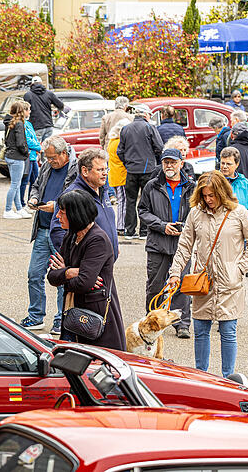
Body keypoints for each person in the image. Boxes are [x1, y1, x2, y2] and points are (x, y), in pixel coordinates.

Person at [167, 171, 248, 378]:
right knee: (200, 331)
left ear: (222, 192)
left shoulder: (239, 213)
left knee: (228, 332)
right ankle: (202, 377)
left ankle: (229, 379)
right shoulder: (195, 213)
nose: (208, 200)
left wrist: (240, 267)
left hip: (230, 282)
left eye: (212, 195)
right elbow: (184, 246)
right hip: (202, 282)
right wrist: (175, 273)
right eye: (205, 195)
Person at [48, 189, 126, 351]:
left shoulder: (97, 239)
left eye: (62, 212)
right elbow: (52, 276)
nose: (57, 216)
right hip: (72, 315)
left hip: (93, 319)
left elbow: (84, 283)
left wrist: (66, 274)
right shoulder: (71, 236)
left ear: (76, 214)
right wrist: (71, 272)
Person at [21, 136, 78, 333]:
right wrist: (34, 197)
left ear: (64, 154)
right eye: (47, 158)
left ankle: (61, 319)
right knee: (34, 274)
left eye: (53, 158)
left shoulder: (76, 168)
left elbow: (78, 196)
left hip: (62, 232)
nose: (50, 161)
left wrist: (57, 206)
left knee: (62, 276)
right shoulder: (47, 166)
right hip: (43, 229)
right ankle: (36, 316)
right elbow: (36, 185)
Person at [137, 147, 195, 338]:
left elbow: (197, 213)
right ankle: (151, 320)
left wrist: (185, 227)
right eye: (166, 162)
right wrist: (162, 226)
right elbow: (143, 211)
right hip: (158, 243)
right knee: (155, 284)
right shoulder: (152, 186)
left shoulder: (191, 186)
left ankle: (181, 324)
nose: (169, 166)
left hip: (182, 244)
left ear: (181, 163)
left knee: (181, 285)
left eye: (173, 162)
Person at [51, 148, 119, 260]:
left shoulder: (103, 189)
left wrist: (114, 245)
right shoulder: (73, 195)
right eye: (100, 170)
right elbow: (57, 231)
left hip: (105, 263)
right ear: (85, 171)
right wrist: (76, 260)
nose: (105, 173)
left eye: (106, 169)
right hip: (89, 266)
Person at [117, 103, 163, 240]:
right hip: (147, 168)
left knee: (130, 201)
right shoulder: (149, 127)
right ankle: (143, 231)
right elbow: (160, 147)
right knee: (146, 200)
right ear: (145, 115)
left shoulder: (125, 129)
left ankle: (129, 231)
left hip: (131, 170)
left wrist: (127, 163)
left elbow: (120, 151)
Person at [2, 101, 30, 219]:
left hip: (10, 155)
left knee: (16, 184)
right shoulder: (19, 124)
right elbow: (20, 142)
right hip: (17, 156)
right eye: (27, 109)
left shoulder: (10, 122)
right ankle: (8, 210)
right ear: (21, 111)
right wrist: (26, 152)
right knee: (15, 185)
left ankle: (19, 208)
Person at [218, 147, 248, 223]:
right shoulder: (214, 180)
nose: (225, 166)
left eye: (229, 164)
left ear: (237, 164)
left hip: (241, 227)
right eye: (223, 163)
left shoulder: (245, 183)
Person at [23, 76, 65, 141]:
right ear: (41, 83)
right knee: (47, 148)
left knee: (37, 148)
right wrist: (56, 110)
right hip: (48, 125)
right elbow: (61, 105)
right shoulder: (49, 93)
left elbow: (24, 110)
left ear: (31, 84)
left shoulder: (28, 95)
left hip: (36, 126)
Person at [22, 101, 42, 207]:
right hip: (28, 155)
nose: (30, 111)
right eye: (28, 109)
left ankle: (31, 200)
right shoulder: (23, 125)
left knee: (35, 181)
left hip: (33, 156)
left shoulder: (29, 124)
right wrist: (39, 147)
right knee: (25, 180)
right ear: (24, 111)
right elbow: (28, 141)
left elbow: (33, 138)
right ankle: (22, 203)